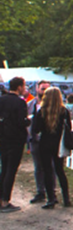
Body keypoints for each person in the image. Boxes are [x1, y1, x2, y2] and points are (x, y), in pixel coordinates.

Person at [30, 86, 72, 209]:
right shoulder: (64, 111)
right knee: (60, 171)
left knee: (47, 171)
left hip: (45, 143)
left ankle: (51, 198)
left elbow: (36, 129)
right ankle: (66, 198)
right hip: (59, 144)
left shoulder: (42, 111)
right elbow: (69, 127)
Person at [0, 77, 31, 212]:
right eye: (23, 86)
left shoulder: (2, 100)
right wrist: (28, 121)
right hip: (16, 139)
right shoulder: (20, 103)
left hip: (3, 138)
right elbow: (21, 121)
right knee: (11, 170)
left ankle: (1, 198)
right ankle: (5, 200)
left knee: (4, 168)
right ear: (19, 87)